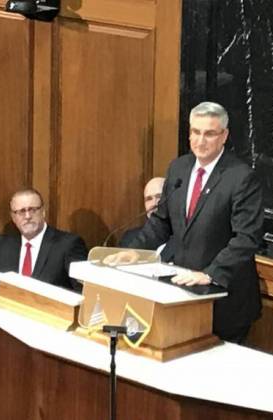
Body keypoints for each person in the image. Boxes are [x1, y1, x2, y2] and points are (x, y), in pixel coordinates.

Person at [112, 101, 264, 343]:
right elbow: (161, 223)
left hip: (223, 300)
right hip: (183, 295)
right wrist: (134, 252)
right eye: (195, 132)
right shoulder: (179, 168)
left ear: (224, 136)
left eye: (209, 133)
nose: (200, 140)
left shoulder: (241, 177)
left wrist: (211, 274)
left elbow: (247, 238)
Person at [0, 188, 89, 292]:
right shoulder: (5, 247)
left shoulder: (68, 245)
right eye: (21, 211)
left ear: (43, 212)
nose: (27, 216)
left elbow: (83, 293)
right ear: (13, 217)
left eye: (32, 210)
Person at [119, 177, 175, 261]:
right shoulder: (130, 238)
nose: (153, 203)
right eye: (149, 199)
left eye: (159, 196)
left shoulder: (181, 238)